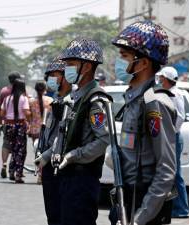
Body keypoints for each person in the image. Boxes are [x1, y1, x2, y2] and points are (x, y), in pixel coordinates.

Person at [109, 21, 177, 225]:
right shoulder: (133, 98)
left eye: (124, 56)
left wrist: (141, 218)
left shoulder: (154, 103)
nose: (118, 63)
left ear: (144, 62)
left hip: (144, 202)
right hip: (126, 198)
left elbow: (166, 169)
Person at [57, 38, 111, 225]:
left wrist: (75, 155)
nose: (66, 69)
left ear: (86, 67)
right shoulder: (75, 96)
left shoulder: (95, 99)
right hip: (69, 178)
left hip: (83, 178)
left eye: (71, 64)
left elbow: (104, 139)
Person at [34, 57, 71, 225]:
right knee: (52, 215)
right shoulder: (55, 101)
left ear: (65, 77)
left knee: (61, 215)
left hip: (60, 166)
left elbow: (64, 135)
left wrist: (47, 155)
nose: (50, 79)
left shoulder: (71, 102)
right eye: (48, 76)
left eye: (53, 75)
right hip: (48, 167)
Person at [156, 66, 189, 218]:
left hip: (173, 138)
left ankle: (181, 209)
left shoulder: (176, 94)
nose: (160, 80)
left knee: (176, 174)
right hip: (168, 137)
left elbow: (180, 117)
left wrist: (170, 133)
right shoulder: (164, 93)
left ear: (167, 79)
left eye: (162, 78)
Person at [0, 79, 31, 183]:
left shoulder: (7, 99)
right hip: (19, 125)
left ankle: (11, 171)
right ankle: (18, 174)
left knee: (12, 149)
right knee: (21, 151)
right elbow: (26, 112)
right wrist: (29, 118)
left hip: (9, 125)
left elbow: (2, 112)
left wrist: (8, 119)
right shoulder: (24, 99)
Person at [0, 72, 22, 179]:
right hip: (19, 123)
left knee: (6, 143)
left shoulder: (4, 91)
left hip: (7, 123)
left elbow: (0, 109)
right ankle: (13, 168)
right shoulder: (22, 92)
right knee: (17, 146)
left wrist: (0, 122)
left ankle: (4, 164)